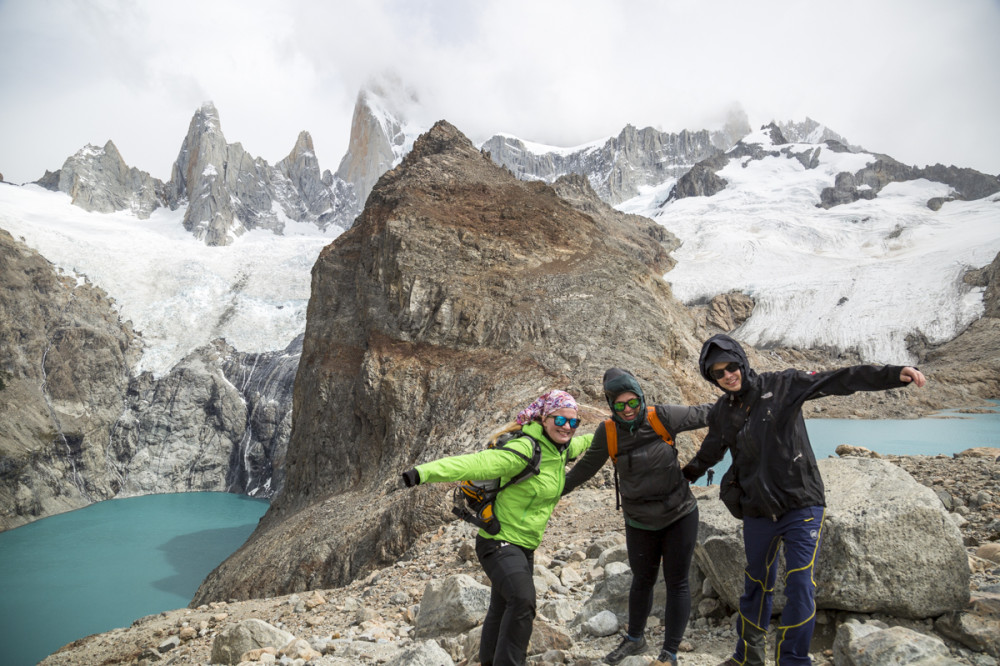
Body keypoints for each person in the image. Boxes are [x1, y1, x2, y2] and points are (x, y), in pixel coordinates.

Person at [681, 334, 927, 666]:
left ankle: (794, 661)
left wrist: (892, 374)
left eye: (731, 366)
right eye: (718, 372)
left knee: (799, 583)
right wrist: (684, 477)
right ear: (712, 377)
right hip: (756, 510)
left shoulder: (783, 384)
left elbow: (837, 379)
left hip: (801, 505)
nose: (728, 375)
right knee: (755, 584)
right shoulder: (723, 411)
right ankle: (747, 658)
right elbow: (710, 451)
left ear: (742, 361)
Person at [400, 389, 593, 666]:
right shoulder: (524, 450)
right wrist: (422, 473)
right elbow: (473, 464)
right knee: (524, 601)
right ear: (543, 418)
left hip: (525, 546)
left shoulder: (561, 449)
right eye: (560, 420)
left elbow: (589, 441)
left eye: (573, 422)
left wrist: (617, 432)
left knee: (501, 607)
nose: (567, 427)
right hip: (498, 542)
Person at [563, 368, 710, 666]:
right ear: (611, 405)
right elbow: (585, 469)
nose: (628, 410)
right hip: (640, 521)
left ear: (641, 399)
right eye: (619, 405)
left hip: (680, 514)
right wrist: (551, 492)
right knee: (641, 580)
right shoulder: (608, 432)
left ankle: (669, 652)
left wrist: (746, 400)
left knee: (677, 582)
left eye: (632, 403)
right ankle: (635, 639)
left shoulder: (663, 417)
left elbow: (706, 414)